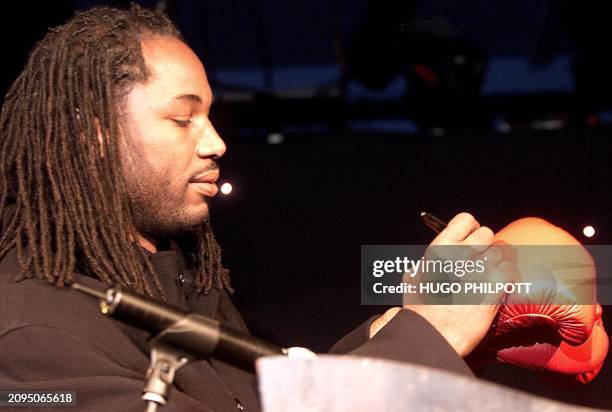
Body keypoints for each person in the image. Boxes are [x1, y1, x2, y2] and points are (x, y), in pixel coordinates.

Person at [0, 5, 511, 411]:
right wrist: (426, 338)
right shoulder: (28, 338)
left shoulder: (173, 278)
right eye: (183, 119)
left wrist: (412, 330)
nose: (216, 143)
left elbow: (273, 402)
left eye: (211, 118)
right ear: (96, 136)